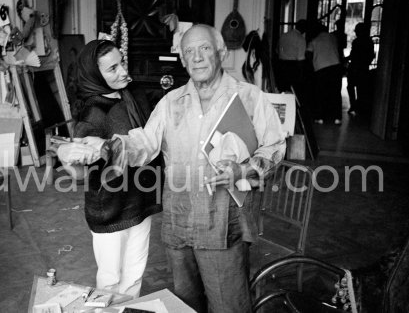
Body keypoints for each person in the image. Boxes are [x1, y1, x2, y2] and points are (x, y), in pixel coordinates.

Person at [58, 25, 286, 312]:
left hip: (223, 226)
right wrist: (103, 147)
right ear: (182, 60)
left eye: (204, 48)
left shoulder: (251, 98)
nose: (197, 57)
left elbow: (275, 147)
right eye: (189, 51)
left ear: (222, 52)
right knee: (186, 304)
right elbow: (142, 142)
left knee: (229, 304)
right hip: (180, 224)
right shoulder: (170, 102)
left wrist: (243, 170)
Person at [63, 40, 162, 299]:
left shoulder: (134, 95)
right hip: (110, 208)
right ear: (95, 75)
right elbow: (80, 174)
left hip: (141, 198)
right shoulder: (93, 114)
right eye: (112, 69)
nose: (122, 72)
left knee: (134, 275)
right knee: (110, 280)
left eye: (122, 63)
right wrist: (69, 159)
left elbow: (151, 139)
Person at [306, 22, 344, 125]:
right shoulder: (333, 37)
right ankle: (337, 118)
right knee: (335, 93)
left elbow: (308, 55)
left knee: (320, 93)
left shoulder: (314, 41)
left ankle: (320, 117)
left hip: (321, 69)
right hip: (336, 67)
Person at [346, 22, 374, 116]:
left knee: (351, 87)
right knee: (361, 88)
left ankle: (354, 105)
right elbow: (370, 56)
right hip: (363, 68)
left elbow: (353, 55)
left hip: (355, 67)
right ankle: (359, 106)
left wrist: (346, 59)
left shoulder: (357, 41)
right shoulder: (369, 41)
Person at [277, 19, 307, 96]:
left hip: (281, 65)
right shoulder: (300, 39)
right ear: (303, 28)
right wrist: (301, 74)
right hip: (293, 67)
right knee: (294, 91)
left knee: (283, 90)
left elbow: (277, 50)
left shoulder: (284, 35)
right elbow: (301, 59)